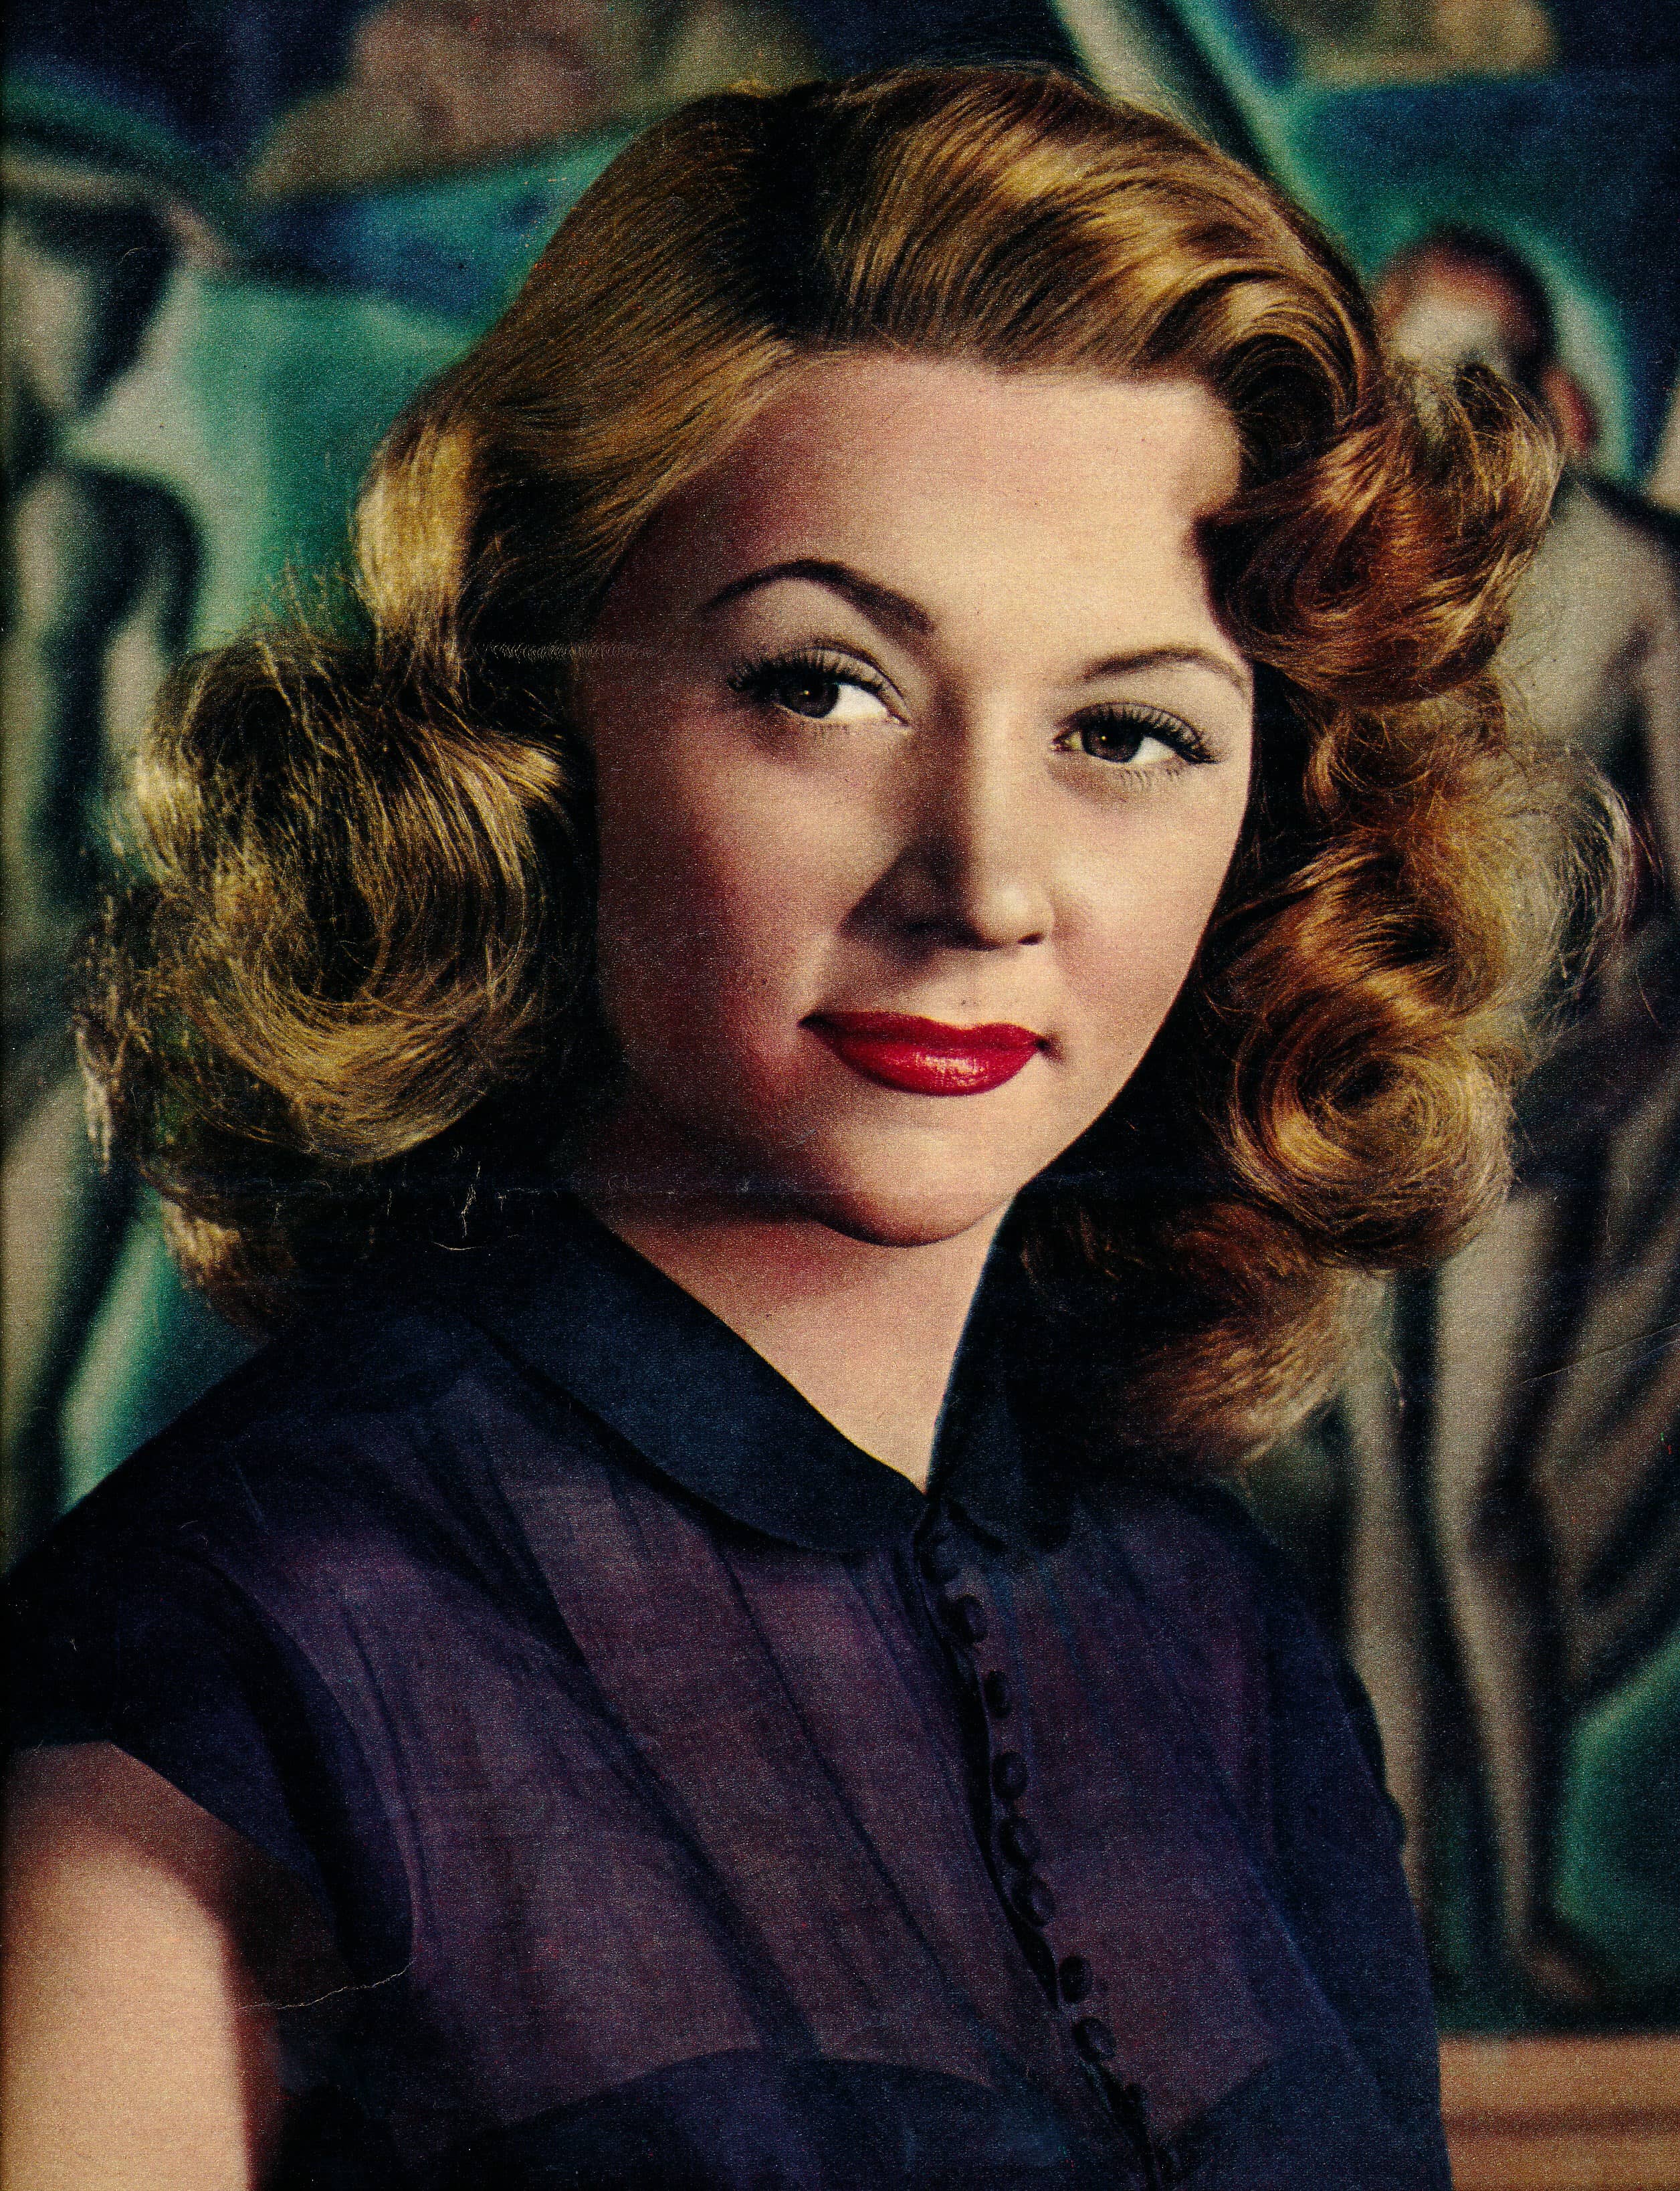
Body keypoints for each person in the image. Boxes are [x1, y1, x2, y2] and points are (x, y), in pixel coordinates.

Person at [2, 68, 1612, 2191]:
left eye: (1128, 730)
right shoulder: (227, 1661)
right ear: (538, 716)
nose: (986, 879)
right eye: (823, 687)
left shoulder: (1219, 1638)